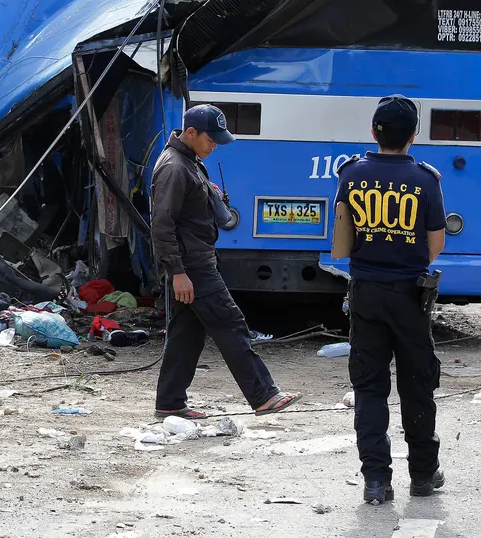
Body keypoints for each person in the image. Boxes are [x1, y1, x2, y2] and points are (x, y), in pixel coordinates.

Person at [330, 94, 446, 506]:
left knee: (369, 388)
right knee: (418, 385)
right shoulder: (426, 179)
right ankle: (422, 475)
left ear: (374, 132)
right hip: (409, 296)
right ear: (414, 135)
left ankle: (376, 481)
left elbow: (342, 237)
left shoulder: (351, 174)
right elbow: (435, 244)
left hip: (365, 294)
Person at [151, 104, 302, 419]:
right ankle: (263, 396)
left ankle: (170, 402)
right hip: (194, 267)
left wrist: (211, 199)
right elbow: (162, 225)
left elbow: (185, 215)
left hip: (193, 263)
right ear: (191, 133)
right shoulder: (175, 167)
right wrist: (178, 273)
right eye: (211, 139)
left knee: (186, 334)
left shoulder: (189, 161)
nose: (214, 145)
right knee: (231, 325)